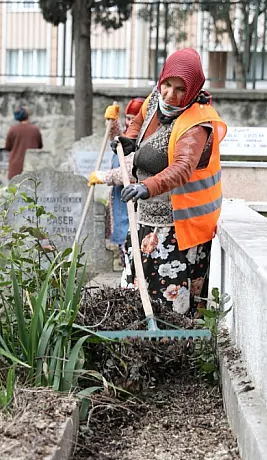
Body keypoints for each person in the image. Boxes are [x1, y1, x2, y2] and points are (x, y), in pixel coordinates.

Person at [112, 48, 227, 315]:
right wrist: (130, 139)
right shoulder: (156, 99)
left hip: (177, 232)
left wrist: (146, 186)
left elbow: (183, 168)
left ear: (193, 90)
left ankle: (168, 350)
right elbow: (140, 120)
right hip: (145, 221)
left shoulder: (197, 124)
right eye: (167, 85)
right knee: (136, 296)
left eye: (179, 89)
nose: (170, 95)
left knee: (168, 305)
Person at [88, 97, 146, 267]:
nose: (129, 122)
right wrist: (112, 122)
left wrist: (104, 176)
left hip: (132, 202)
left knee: (131, 245)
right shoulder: (130, 134)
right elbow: (119, 140)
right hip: (119, 200)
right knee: (123, 248)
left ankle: (131, 280)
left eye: (133, 119)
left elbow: (130, 172)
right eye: (127, 118)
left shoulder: (143, 141)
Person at [4, 107, 42, 179]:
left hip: (15, 166)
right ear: (27, 116)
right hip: (31, 166)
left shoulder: (12, 130)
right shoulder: (35, 130)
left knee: (14, 188)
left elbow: (7, 147)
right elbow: (40, 146)